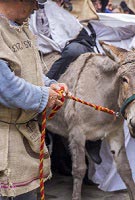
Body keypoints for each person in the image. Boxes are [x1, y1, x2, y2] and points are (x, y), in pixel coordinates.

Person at [0, 0, 68, 199]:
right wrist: (45, 96)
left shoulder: (21, 29)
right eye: (34, 2)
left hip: (23, 141)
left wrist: (50, 85)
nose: (37, 8)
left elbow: (32, 72)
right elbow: (6, 87)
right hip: (5, 145)